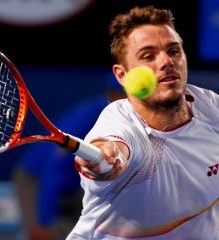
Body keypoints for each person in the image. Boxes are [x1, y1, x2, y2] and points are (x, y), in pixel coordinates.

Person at [67, 5, 219, 240]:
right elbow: (113, 145)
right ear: (122, 75)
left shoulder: (210, 107)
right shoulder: (120, 125)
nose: (167, 61)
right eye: (148, 56)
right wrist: (105, 159)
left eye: (174, 50)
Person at [13, 78, 125, 240]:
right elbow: (54, 172)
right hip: (36, 178)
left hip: (78, 182)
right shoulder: (87, 118)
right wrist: (44, 223)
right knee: (41, 234)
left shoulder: (124, 119)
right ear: (113, 93)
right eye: (126, 95)